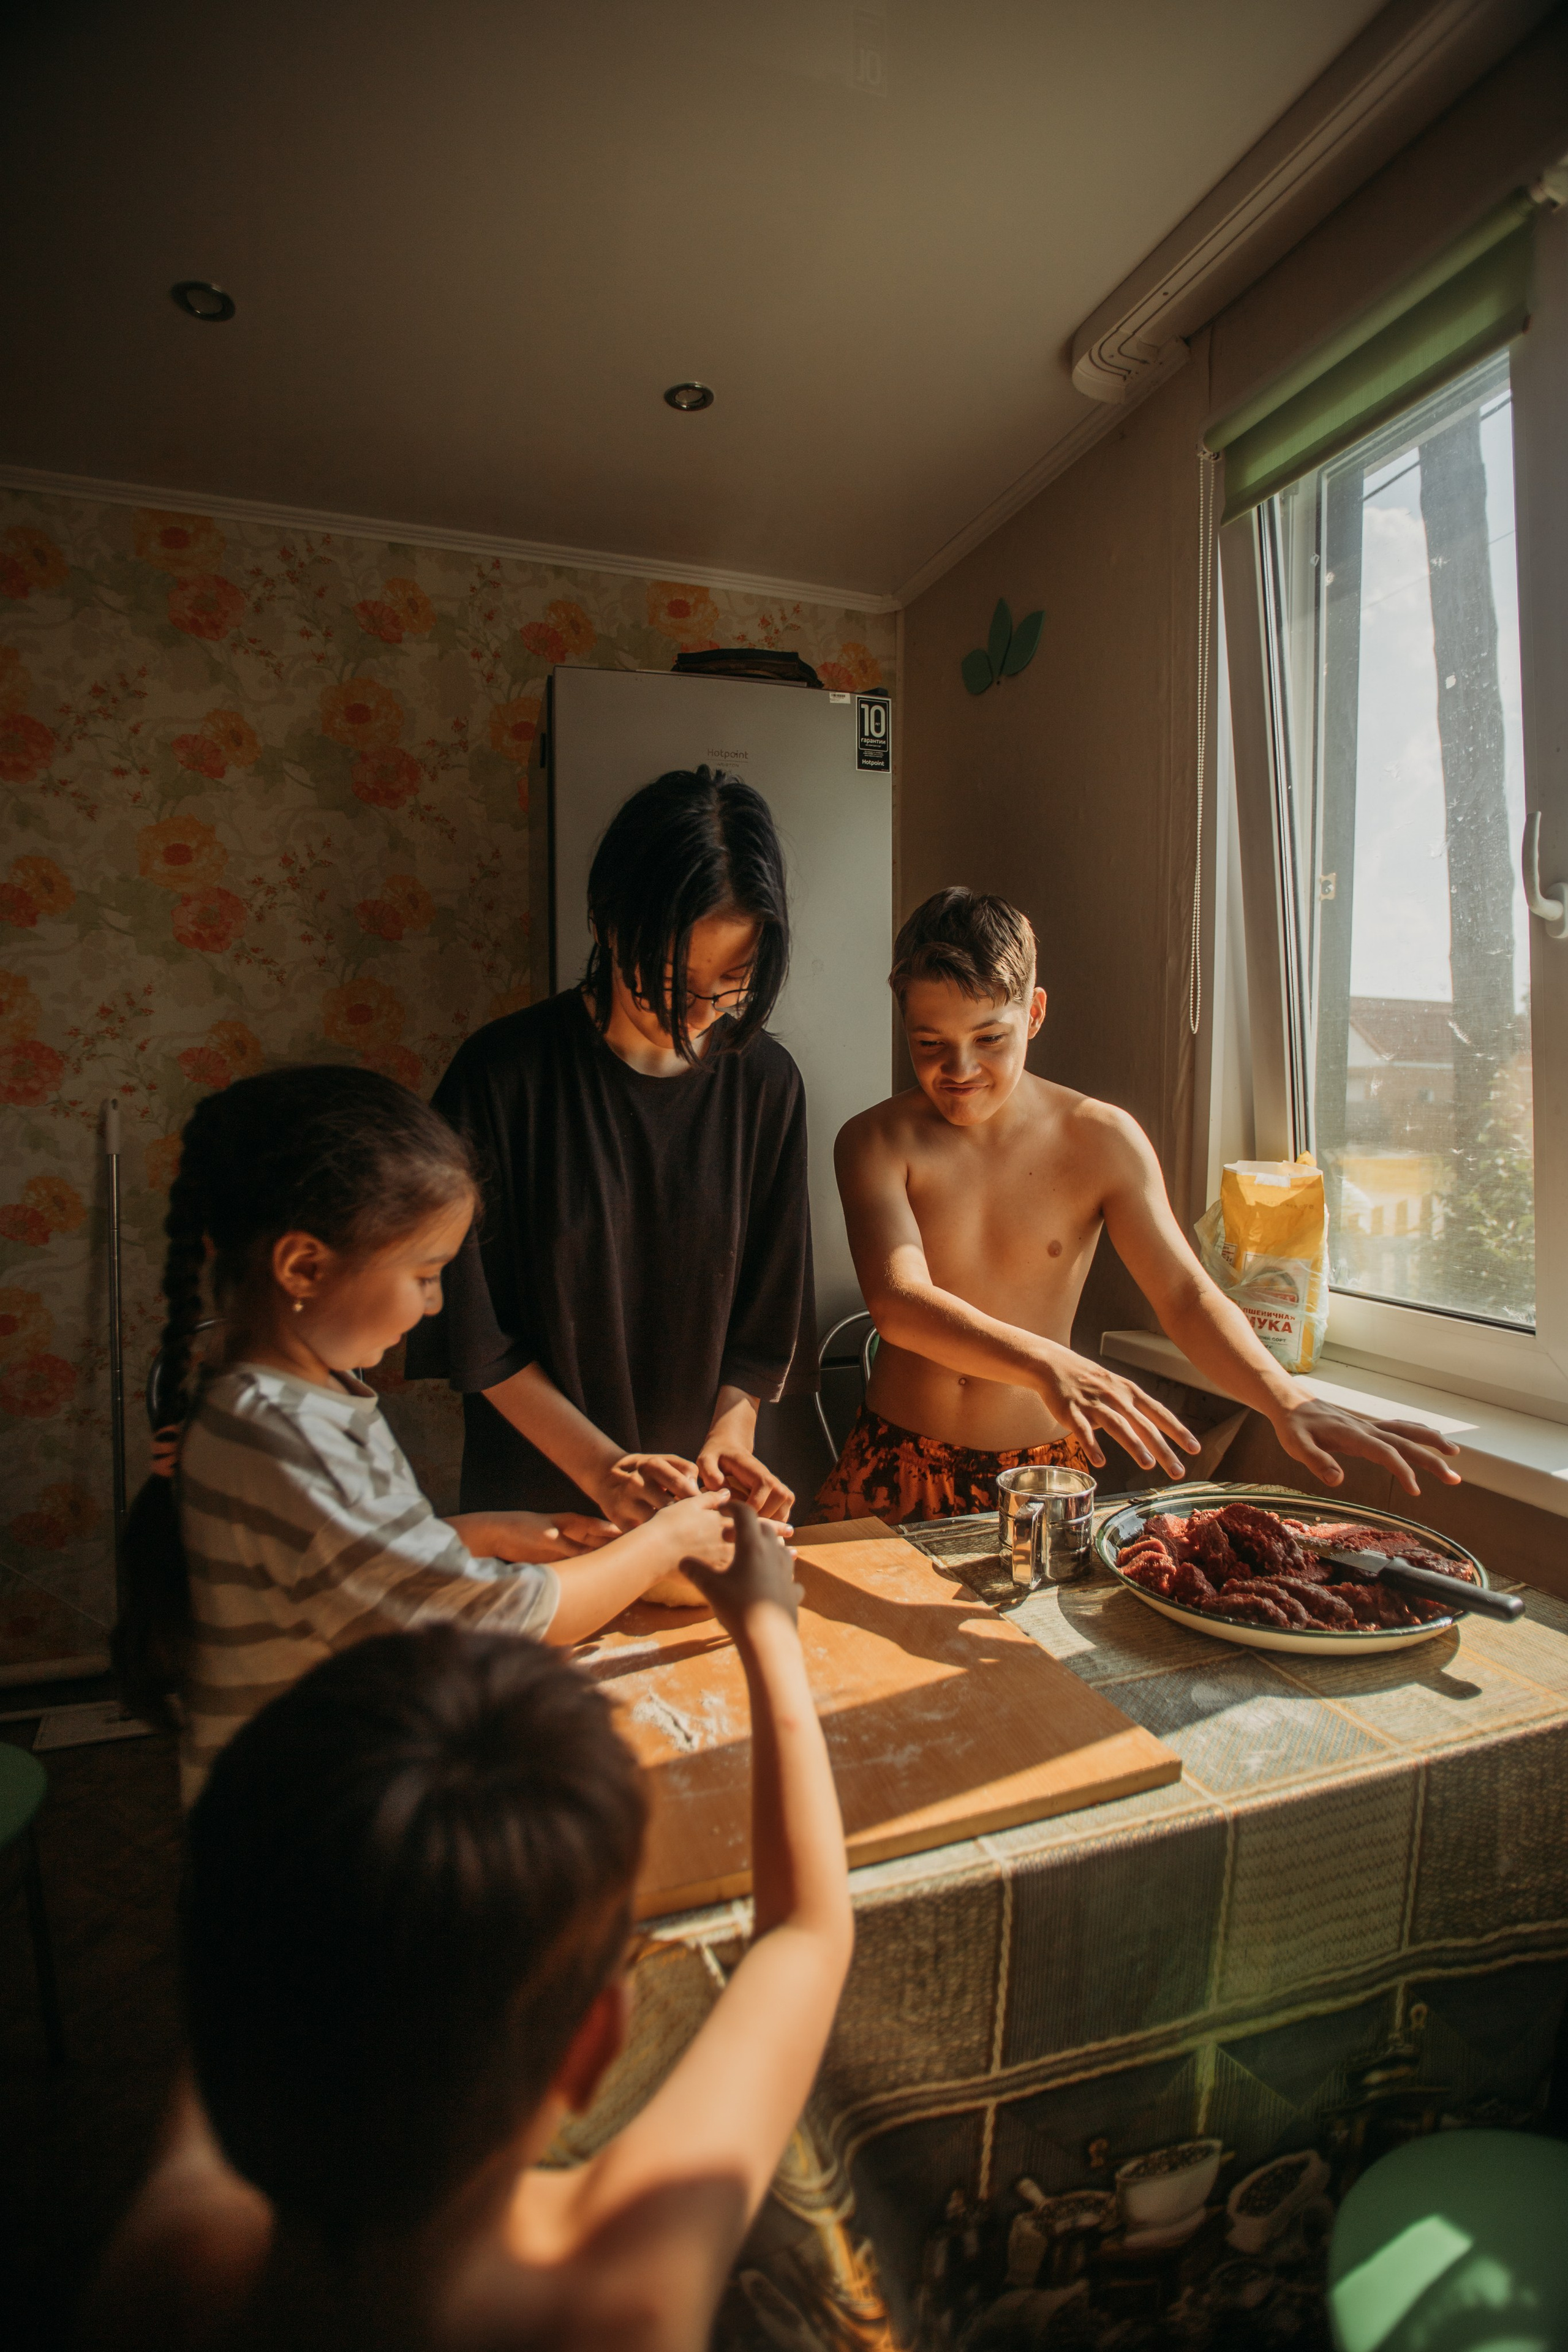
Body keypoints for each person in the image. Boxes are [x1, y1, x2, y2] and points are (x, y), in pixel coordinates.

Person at [85, 1513, 853, 2352]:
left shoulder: (165, 2272)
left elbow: (255, 1936)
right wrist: (768, 1629)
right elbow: (805, 1934)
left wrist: (472, 1533)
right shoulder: (621, 2310)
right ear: (595, 2045)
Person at [115, 1065, 736, 1802]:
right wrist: (665, 1542)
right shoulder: (279, 1429)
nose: (438, 1304)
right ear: (304, 1266)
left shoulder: (293, 1400)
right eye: (426, 1274)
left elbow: (336, 1567)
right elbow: (489, 1621)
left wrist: (484, 1533)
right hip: (301, 1834)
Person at [816, 887, 1462, 1523]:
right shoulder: (874, 1139)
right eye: (929, 1043)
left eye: (989, 1039)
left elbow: (1184, 1295)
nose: (958, 1069)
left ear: (1034, 1014)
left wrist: (1283, 1399)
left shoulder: (1101, 1139)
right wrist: (1048, 1361)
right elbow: (899, 1303)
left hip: (1039, 1471)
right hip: (893, 1458)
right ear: (903, 1020)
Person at [408, 765, 815, 1530]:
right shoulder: (501, 1077)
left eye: (734, 978)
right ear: (604, 921)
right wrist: (605, 1471)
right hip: (539, 1509)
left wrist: (732, 1432)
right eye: (670, 975)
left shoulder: (766, 1084)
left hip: (698, 1507)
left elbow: (765, 1320)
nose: (698, 1013)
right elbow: (474, 1331)